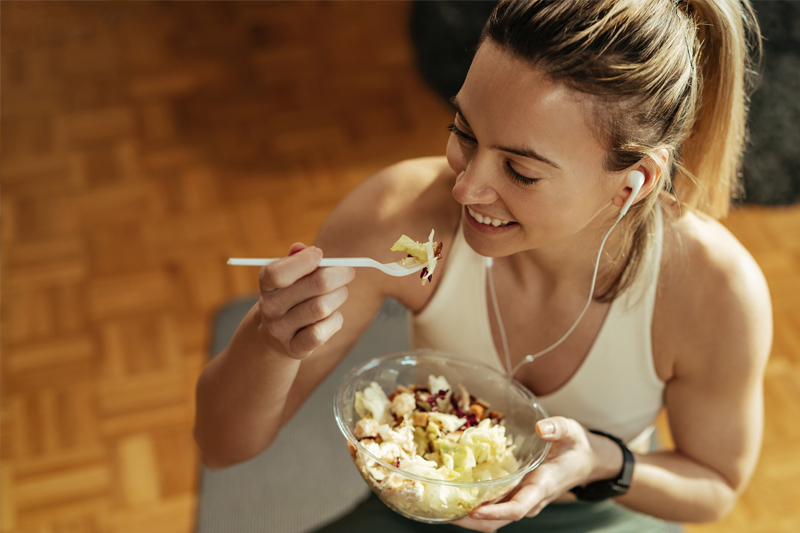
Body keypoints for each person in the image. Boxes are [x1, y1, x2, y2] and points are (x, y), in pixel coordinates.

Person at [194, 0, 772, 531]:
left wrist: (602, 461)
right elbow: (221, 448)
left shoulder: (714, 290)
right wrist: (269, 344)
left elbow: (713, 485)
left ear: (635, 180)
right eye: (464, 133)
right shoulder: (397, 214)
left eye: (521, 172)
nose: (466, 188)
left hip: (597, 514)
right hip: (425, 507)